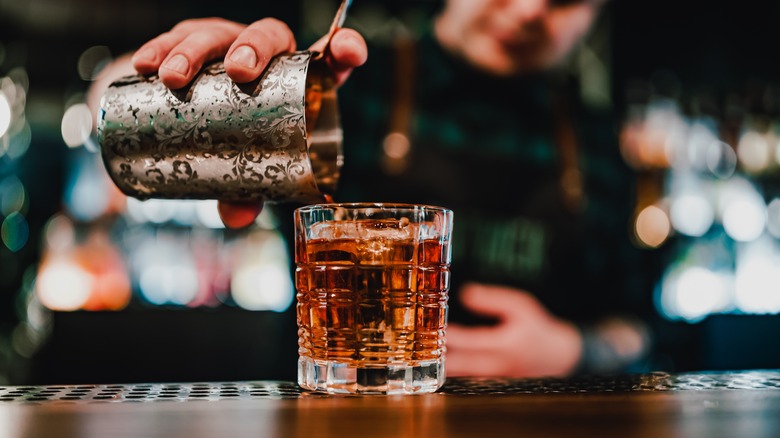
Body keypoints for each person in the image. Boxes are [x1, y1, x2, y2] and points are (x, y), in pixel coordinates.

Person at [97, 0, 659, 377]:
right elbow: (107, 112)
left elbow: (641, 327)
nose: (532, 8)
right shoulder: (347, 85)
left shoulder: (594, 135)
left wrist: (574, 351)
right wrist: (197, 89)